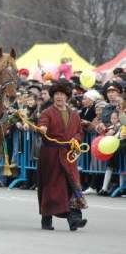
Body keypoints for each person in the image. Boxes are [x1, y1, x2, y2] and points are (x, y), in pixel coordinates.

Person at [36, 80, 88, 231]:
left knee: (71, 185)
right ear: (53, 97)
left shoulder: (74, 115)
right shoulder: (47, 113)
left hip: (68, 155)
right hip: (51, 155)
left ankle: (74, 219)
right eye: (57, 94)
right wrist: (42, 129)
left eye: (62, 94)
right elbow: (42, 124)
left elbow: (79, 132)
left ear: (67, 97)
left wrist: (76, 139)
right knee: (52, 187)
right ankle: (46, 219)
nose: (59, 97)